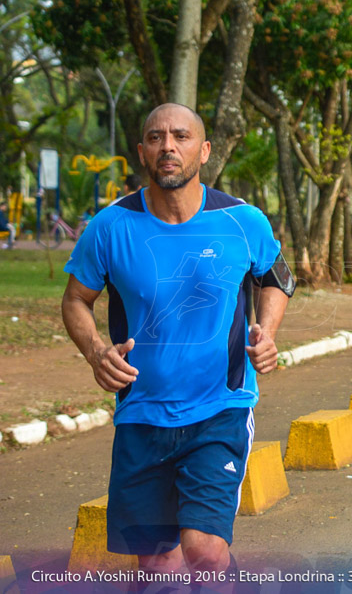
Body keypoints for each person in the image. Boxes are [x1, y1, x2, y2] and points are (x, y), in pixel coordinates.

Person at [61, 103, 293, 582]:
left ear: (204, 150)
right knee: (157, 563)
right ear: (142, 152)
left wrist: (267, 332)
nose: (168, 145)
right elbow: (75, 300)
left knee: (204, 550)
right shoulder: (110, 227)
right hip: (141, 414)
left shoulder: (242, 221)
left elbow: (277, 279)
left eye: (181, 136)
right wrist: (96, 353)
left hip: (220, 408)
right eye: (156, 137)